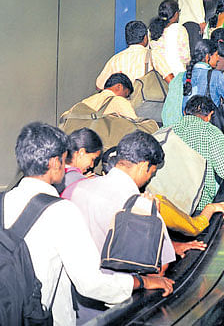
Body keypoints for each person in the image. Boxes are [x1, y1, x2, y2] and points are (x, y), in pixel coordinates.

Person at [2, 122, 173, 326]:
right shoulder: (61, 211)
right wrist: (142, 282)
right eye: (64, 160)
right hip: (44, 317)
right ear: (55, 162)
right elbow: (91, 284)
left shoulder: (4, 200)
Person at [70, 130, 205, 321]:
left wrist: (174, 245)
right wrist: (153, 222)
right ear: (143, 166)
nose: (149, 179)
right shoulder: (140, 205)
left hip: (80, 302)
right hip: (122, 304)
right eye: (152, 172)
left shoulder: (81, 189)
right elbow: (159, 267)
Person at [172, 96, 224, 211]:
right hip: (199, 205)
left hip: (170, 201)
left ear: (184, 112)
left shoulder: (168, 130)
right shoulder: (212, 133)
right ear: (209, 115)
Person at [95, 21, 172, 90]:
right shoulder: (153, 55)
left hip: (122, 104)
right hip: (147, 104)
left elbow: (99, 86)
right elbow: (171, 80)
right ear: (145, 37)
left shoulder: (115, 59)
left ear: (127, 39)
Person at [65, 72, 138, 120]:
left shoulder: (87, 101)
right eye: (126, 95)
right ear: (119, 87)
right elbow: (135, 123)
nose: (126, 98)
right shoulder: (119, 101)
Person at [55, 128, 103, 199]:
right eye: (93, 159)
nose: (92, 165)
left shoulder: (53, 172)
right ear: (81, 152)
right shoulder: (80, 184)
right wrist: (83, 182)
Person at [150, 0, 191, 75]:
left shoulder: (152, 30)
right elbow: (186, 58)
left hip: (159, 75)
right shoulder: (179, 29)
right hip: (176, 75)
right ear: (176, 14)